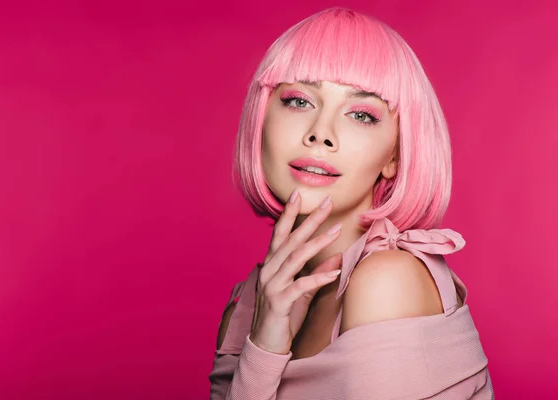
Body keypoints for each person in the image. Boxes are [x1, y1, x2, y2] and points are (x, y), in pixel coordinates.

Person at [209, 7, 493, 399]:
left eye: (360, 114)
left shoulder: (388, 282)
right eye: (298, 101)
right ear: (261, 120)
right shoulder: (251, 303)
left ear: (394, 156)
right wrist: (264, 347)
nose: (321, 134)